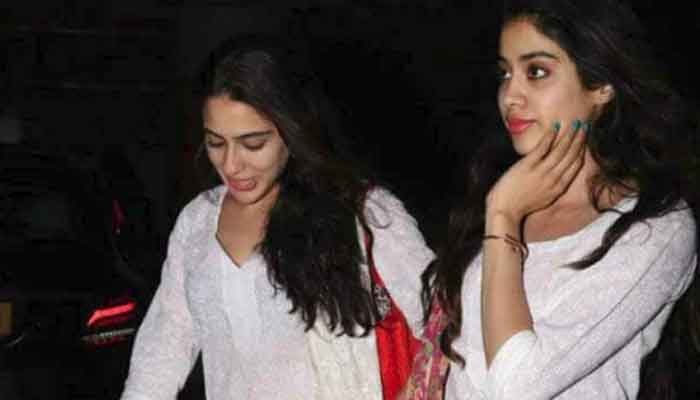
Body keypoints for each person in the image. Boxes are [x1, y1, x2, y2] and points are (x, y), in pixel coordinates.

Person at [120, 35, 434, 400]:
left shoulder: (363, 213)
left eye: (253, 144)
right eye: (216, 143)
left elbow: (445, 325)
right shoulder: (197, 222)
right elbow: (161, 352)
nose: (231, 165)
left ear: (291, 131)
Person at [421, 0, 700, 398]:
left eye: (536, 72)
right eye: (505, 73)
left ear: (601, 86)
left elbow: (519, 385)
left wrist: (502, 217)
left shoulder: (655, 227)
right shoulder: (497, 196)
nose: (510, 95)